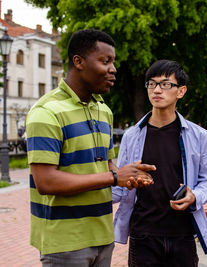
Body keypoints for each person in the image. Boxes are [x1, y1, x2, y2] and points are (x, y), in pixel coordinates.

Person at [25, 29, 155, 266]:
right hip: (65, 241)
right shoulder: (46, 112)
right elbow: (46, 182)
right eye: (105, 61)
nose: (113, 69)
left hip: (103, 235)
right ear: (79, 62)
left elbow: (105, 164)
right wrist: (115, 176)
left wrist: (128, 175)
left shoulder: (103, 110)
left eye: (113, 62)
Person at [112, 59, 207, 267]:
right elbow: (121, 183)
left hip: (183, 234)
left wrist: (194, 195)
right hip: (143, 235)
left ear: (181, 91)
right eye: (152, 83)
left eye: (166, 84)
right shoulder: (132, 135)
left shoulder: (198, 136)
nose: (157, 90)